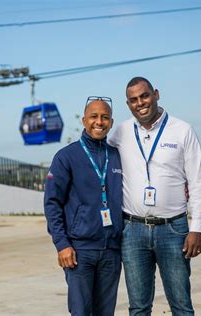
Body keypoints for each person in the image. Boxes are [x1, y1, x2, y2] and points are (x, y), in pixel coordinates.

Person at [109, 77, 201, 315]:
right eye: (133, 100)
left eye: (144, 96)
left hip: (174, 230)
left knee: (182, 306)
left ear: (156, 94)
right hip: (132, 231)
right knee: (139, 308)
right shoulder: (120, 132)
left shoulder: (182, 130)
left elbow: (197, 183)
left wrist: (197, 228)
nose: (140, 103)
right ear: (128, 103)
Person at [44, 97, 123, 316]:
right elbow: (52, 203)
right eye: (94, 117)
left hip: (112, 252)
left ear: (111, 121)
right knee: (81, 312)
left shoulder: (116, 156)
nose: (100, 122)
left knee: (105, 312)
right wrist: (62, 244)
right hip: (79, 251)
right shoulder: (66, 157)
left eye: (105, 117)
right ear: (84, 120)